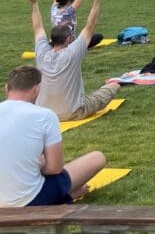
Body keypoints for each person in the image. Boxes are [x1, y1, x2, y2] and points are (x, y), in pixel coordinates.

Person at [0, 66, 108, 207]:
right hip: (28, 200)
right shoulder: (45, 115)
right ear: (37, 89)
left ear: (6, 88)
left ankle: (63, 194)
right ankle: (64, 195)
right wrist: (39, 164)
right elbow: (54, 168)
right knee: (97, 158)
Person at [21, 0, 120, 122]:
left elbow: (37, 28)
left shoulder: (42, 53)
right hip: (73, 113)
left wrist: (34, 5)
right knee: (112, 86)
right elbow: (90, 25)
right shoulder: (73, 52)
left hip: (44, 113)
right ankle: (114, 85)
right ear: (68, 39)